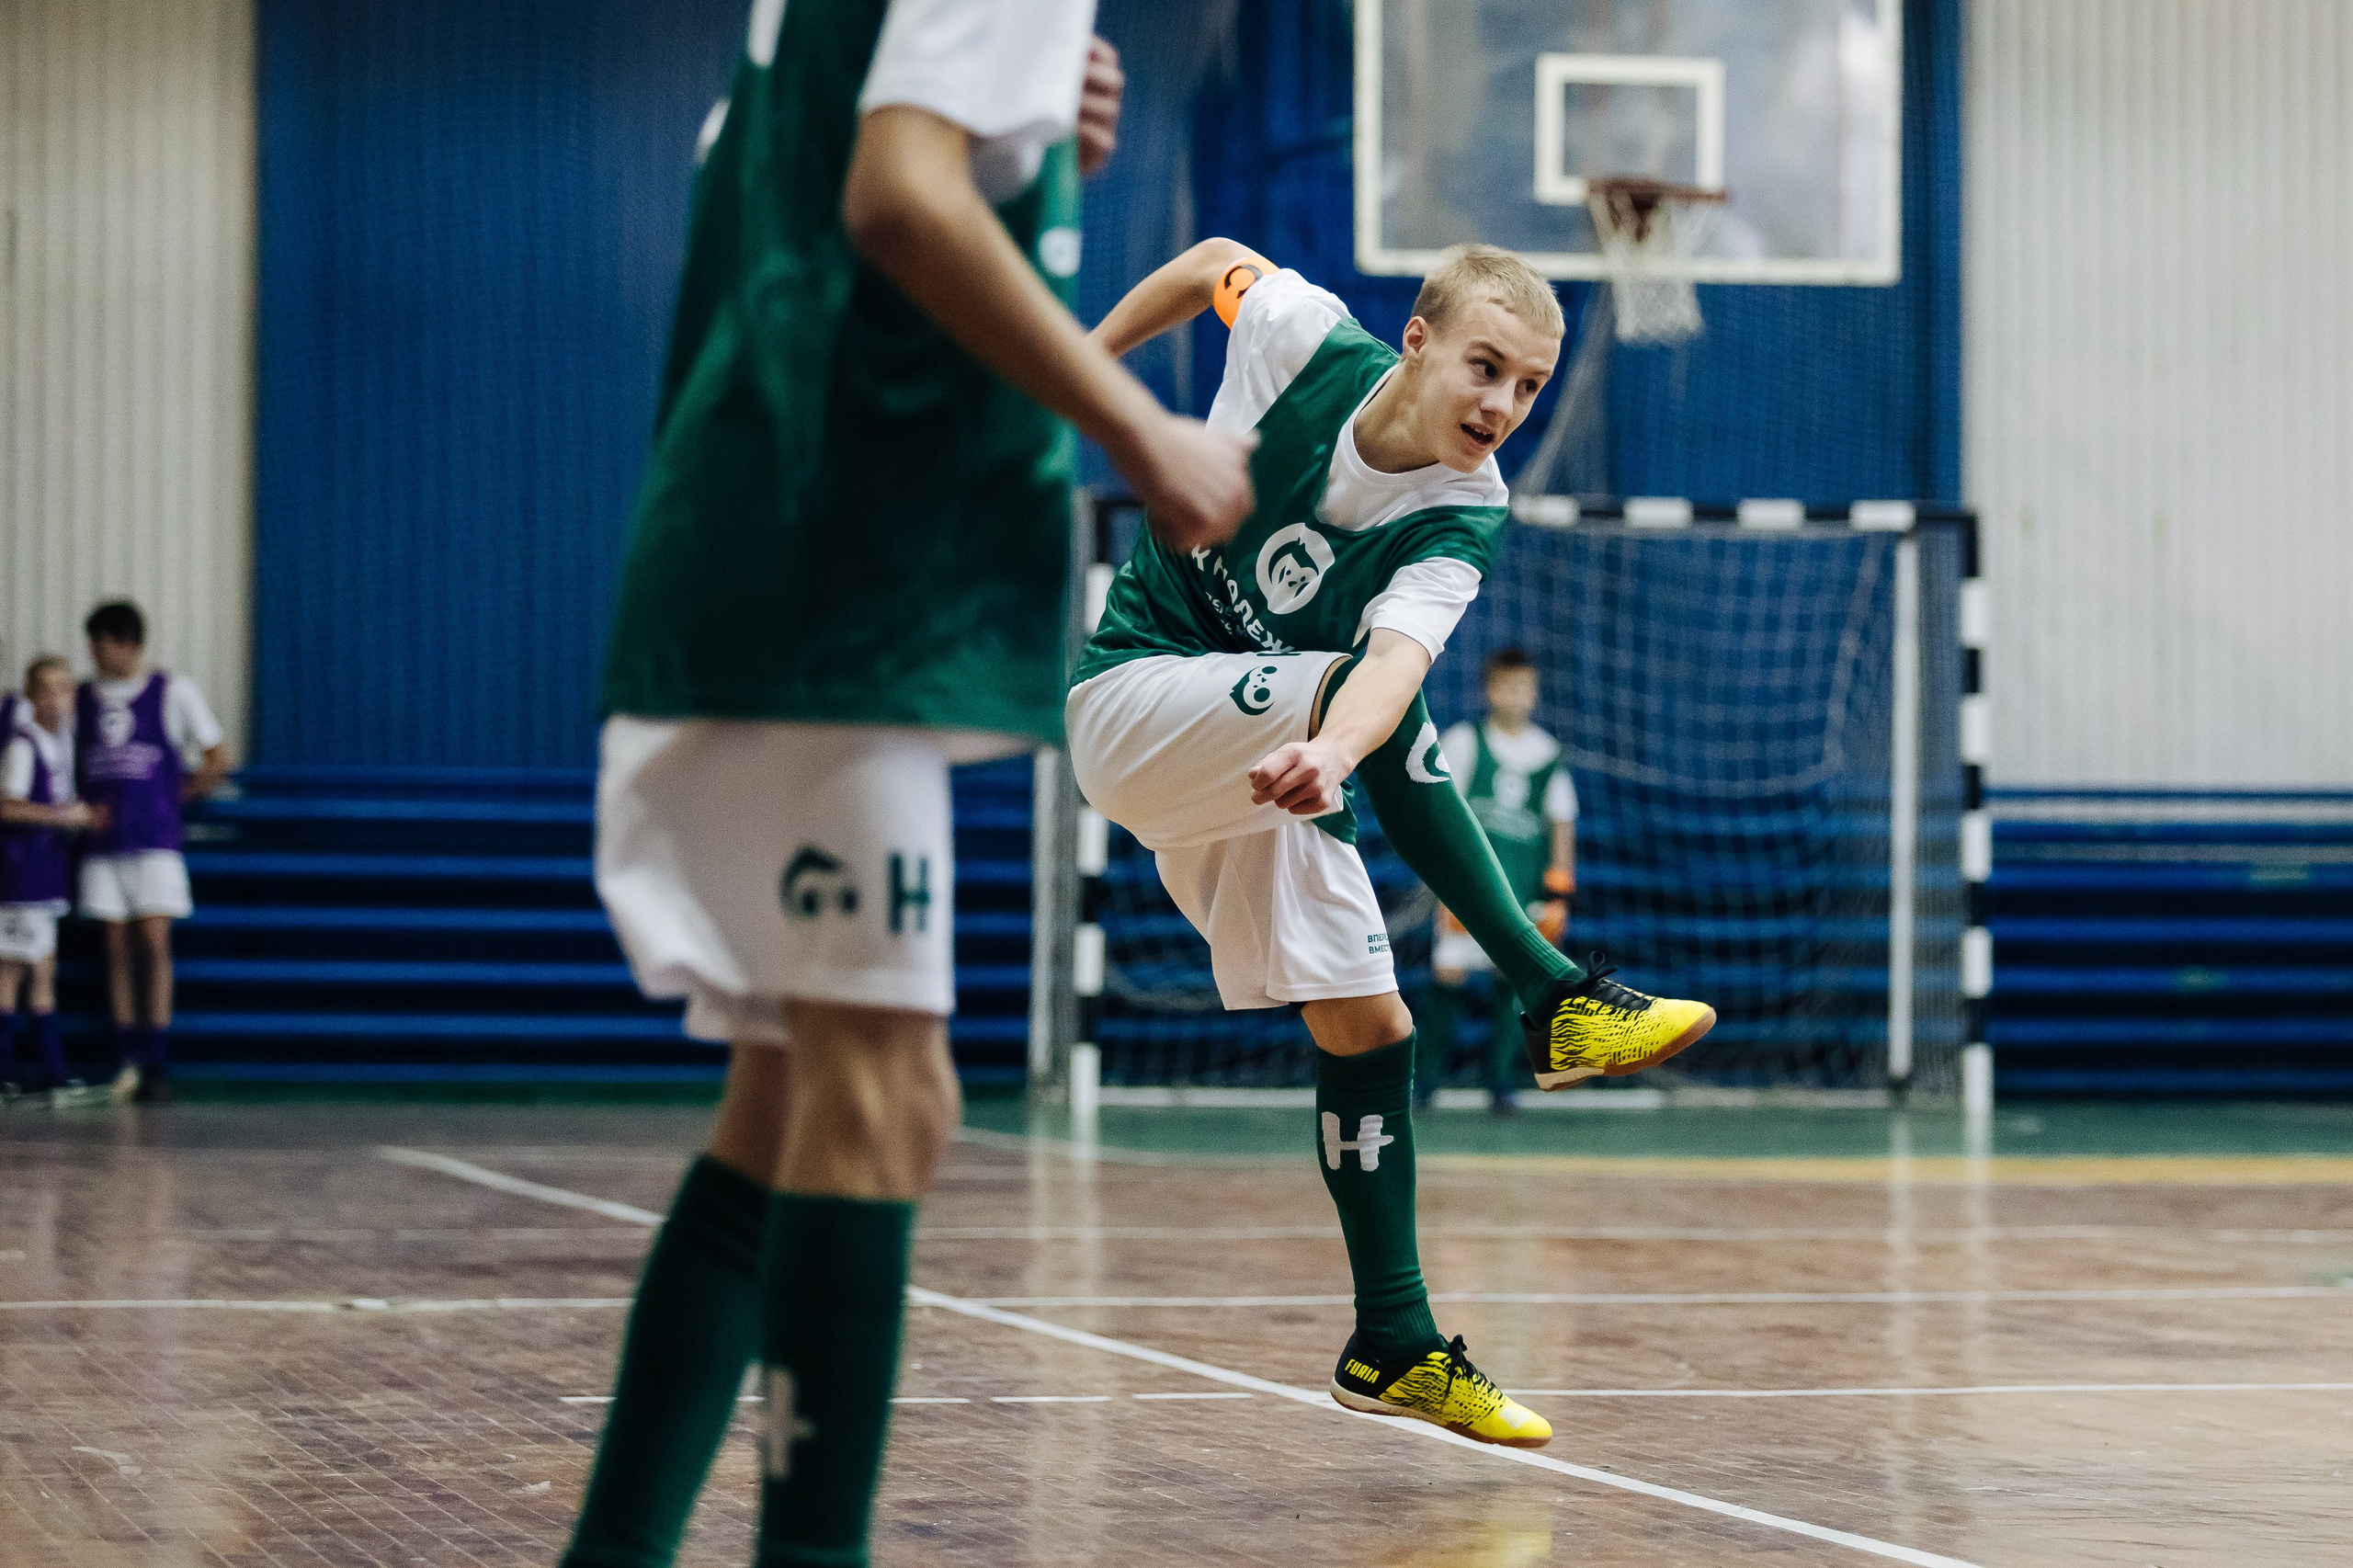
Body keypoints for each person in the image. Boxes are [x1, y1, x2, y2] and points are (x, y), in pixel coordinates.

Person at [569, 4, 1252, 1565]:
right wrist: (1141, 428)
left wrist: (1024, 148)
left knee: (794, 1097)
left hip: (770, 567)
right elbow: (895, 198)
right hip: (839, 590)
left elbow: (810, 176)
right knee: (889, 1097)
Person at [1065, 238, 1715, 1448]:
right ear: (1416, 343)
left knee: (1372, 1025)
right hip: (1136, 696)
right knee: (1346, 693)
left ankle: (1393, 1339)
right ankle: (1552, 990)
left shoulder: (1466, 509)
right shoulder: (1303, 339)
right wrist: (1080, 369)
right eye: (1485, 367)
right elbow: (1212, 263)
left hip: (1267, 749)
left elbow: (1401, 664)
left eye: (1527, 386)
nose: (1502, 407)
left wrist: (1334, 747)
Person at [75, 600, 231, 1102]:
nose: (96, 653)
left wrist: (177, 796)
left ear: (127, 644)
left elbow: (216, 756)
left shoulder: (171, 691)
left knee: (155, 944)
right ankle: (127, 1057)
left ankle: (157, 1058)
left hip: (155, 842)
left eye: (103, 642)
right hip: (102, 845)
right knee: (115, 948)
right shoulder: (82, 699)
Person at [1418, 647, 1577, 1113]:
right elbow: (1439, 812)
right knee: (1448, 972)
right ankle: (1425, 1082)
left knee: (1512, 981)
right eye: (1507, 686)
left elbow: (1562, 824)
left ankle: (1501, 1085)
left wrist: (1558, 895)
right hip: (1467, 891)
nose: (1516, 696)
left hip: (1521, 891)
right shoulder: (1464, 741)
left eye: (1525, 687)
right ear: (1489, 689)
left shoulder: (1547, 753)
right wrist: (1444, 885)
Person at [1, 656, 98, 1097]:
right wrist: (61, 817)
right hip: (23, 872)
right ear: (33, 696)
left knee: (41, 967)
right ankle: (18, 1071)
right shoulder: (24, 745)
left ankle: (49, 1069)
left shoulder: (61, 743)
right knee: (13, 972)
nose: (59, 699)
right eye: (49, 690)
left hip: (46, 871)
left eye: (66, 689)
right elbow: (7, 805)